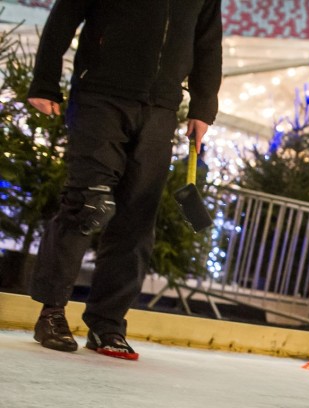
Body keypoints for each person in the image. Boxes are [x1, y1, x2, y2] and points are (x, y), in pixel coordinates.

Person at [26, 0, 223, 360]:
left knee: (137, 216)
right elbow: (64, 15)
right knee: (88, 202)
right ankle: (51, 313)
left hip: (162, 107)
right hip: (100, 95)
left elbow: (208, 42)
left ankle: (107, 324)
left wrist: (203, 107)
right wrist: (45, 81)